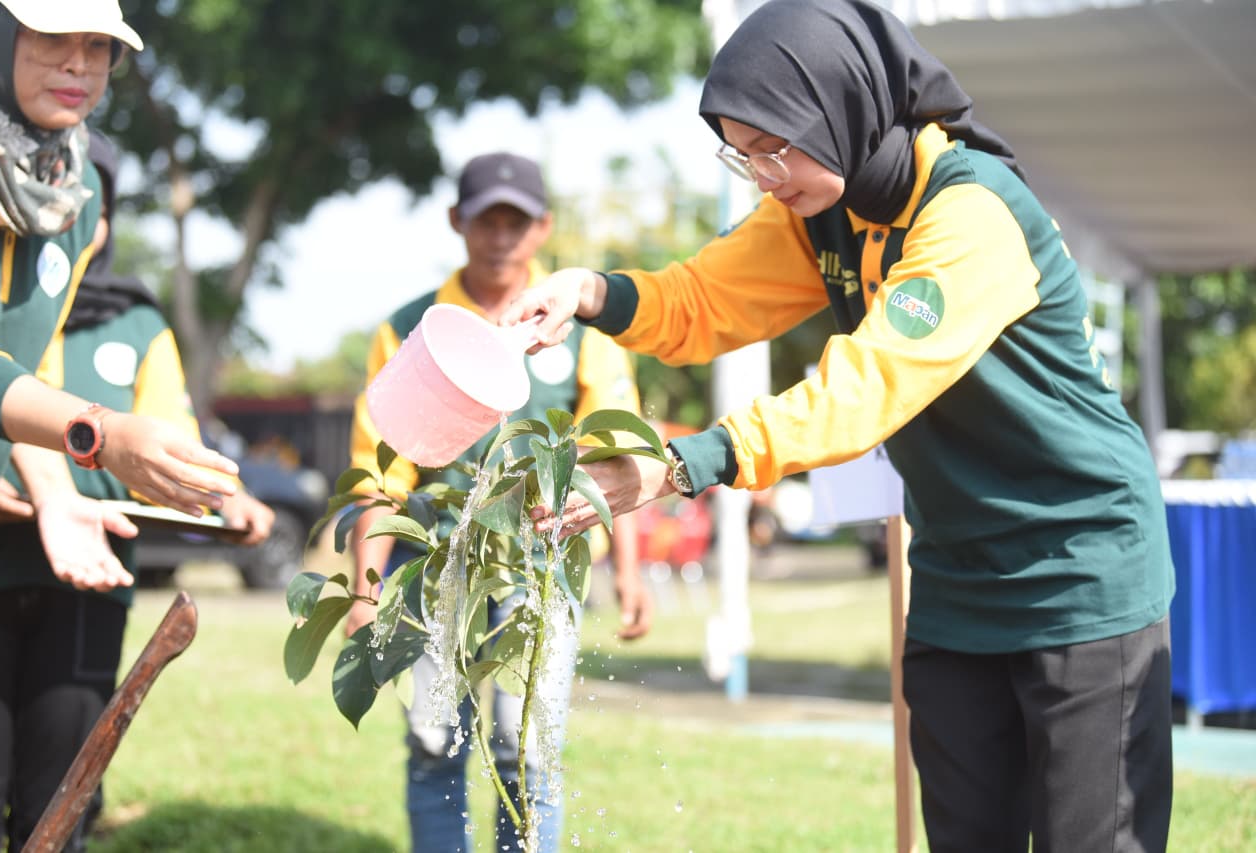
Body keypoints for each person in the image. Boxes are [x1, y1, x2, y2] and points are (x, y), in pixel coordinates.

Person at [502, 2, 1176, 851]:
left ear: (844, 105)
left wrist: (684, 464)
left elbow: (864, 389)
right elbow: (703, 298)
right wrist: (589, 293)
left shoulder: (971, 215)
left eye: (774, 147)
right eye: (741, 155)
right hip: (958, 580)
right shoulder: (825, 205)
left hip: (1080, 570)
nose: (763, 175)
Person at [0, 127, 275, 853]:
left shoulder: (137, 322)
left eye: (94, 201)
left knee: (60, 799)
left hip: (90, 583)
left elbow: (173, 436)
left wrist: (225, 495)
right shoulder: (1, 298)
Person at [345, 152, 652, 853]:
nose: (502, 235)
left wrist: (628, 571)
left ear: (543, 228)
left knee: (528, 750)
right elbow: (378, 470)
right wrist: (365, 590)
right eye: (488, 219)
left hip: (540, 569)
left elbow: (615, 455)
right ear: (458, 222)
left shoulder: (582, 333)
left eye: (518, 220)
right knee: (434, 744)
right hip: (432, 570)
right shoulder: (411, 326)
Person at [0, 0, 240, 597]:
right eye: (51, 38)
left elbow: (25, 361)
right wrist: (100, 433)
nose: (78, 65)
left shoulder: (75, 186)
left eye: (99, 46)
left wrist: (54, 494)